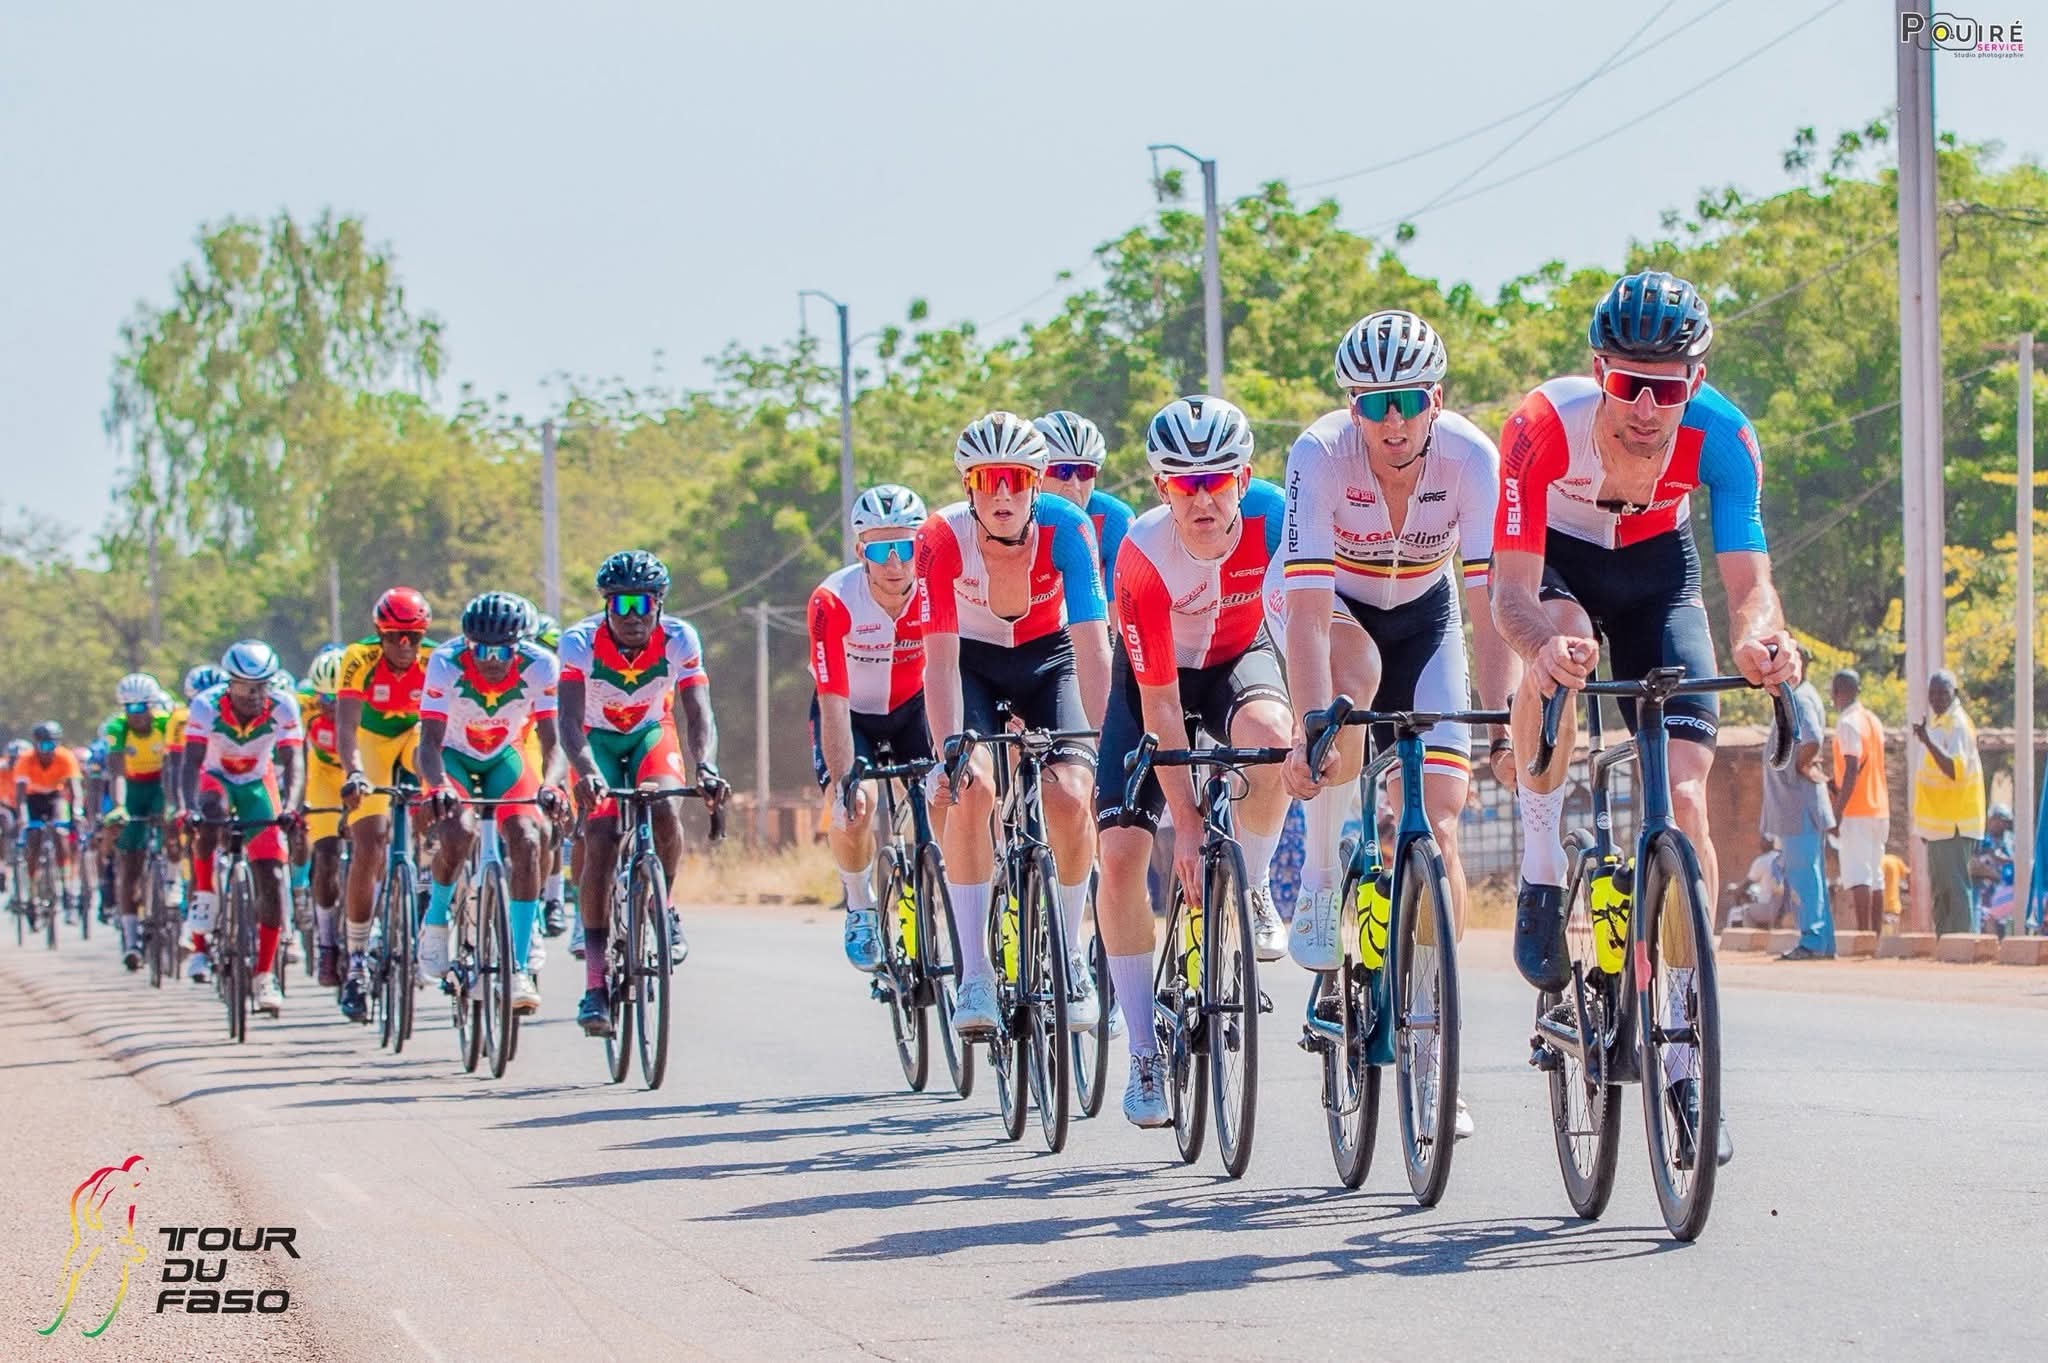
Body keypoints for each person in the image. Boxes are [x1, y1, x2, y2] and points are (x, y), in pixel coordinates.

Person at [1492, 270, 1800, 1169]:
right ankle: (1544, 861)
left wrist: (1760, 642)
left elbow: (1749, 587)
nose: (1645, 407)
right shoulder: (1540, 427)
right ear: (1600, 370)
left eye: (1667, 388)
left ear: (1695, 384)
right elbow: (1510, 593)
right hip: (1563, 568)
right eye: (1628, 384)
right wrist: (1542, 645)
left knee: (1690, 801)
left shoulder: (1724, 437)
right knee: (1565, 647)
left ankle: (1680, 1029)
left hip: (1659, 574)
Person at [1278, 310, 1518, 1017]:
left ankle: (1429, 1020)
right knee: (1348, 697)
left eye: (1409, 401)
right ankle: (1322, 878)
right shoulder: (1319, 455)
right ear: (1353, 407)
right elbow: (1310, 614)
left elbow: (1489, 603)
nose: (1393, 422)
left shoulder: (1471, 458)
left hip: (1425, 613)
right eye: (1374, 405)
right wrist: (1306, 731)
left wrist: (1501, 723)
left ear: (1435, 400)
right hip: (1336, 605)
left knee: (1441, 818)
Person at [1095, 395, 1293, 1127]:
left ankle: (1261, 880)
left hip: (1241, 656)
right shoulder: (1143, 555)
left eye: (1216, 481)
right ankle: (1145, 1051)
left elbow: (1304, 623)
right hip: (1157, 683)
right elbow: (1160, 703)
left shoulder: (1278, 520)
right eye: (1185, 483)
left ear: (1243, 479)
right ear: (1160, 489)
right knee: (1119, 851)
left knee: (1272, 734)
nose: (1203, 497)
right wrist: (1182, 817)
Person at [917, 411, 1110, 1039]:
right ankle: (974, 971)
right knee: (971, 787)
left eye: (1016, 480)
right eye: (987, 479)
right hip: (970, 663)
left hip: (1049, 656)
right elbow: (940, 661)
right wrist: (950, 750)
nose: (1002, 494)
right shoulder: (941, 537)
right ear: (969, 485)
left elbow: (1091, 646)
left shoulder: (1068, 527)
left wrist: (1109, 742)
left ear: (1036, 482)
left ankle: (1074, 955)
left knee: (1072, 791)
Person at [557, 550, 725, 1037]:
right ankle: (594, 987)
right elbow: (566, 721)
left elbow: (699, 714)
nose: (632, 614)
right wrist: (585, 769)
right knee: (602, 837)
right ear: (606, 605)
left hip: (652, 732)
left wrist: (707, 765)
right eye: (622, 603)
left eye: (643, 602)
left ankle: (665, 907)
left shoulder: (679, 638)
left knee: (666, 809)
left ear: (659, 604)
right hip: (596, 739)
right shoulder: (580, 641)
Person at [416, 591, 564, 1015]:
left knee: (528, 837)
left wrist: (552, 786)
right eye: (481, 649)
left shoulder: (540, 665)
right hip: (453, 755)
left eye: (503, 650)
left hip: (505, 755)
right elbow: (428, 742)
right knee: (458, 831)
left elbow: (552, 742)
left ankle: (518, 965)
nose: (492, 659)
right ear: (466, 643)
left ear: (520, 645)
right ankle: (437, 920)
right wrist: (439, 784)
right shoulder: (444, 663)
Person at [807, 484, 931, 972]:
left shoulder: (939, 588)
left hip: (913, 706)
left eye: (907, 547)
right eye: (881, 549)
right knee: (856, 807)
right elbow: (832, 700)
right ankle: (859, 906)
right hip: (850, 714)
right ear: (861, 552)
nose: (895, 562)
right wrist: (844, 782)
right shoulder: (833, 601)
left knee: (953, 794)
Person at [180, 641, 304, 1016]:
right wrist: (188, 809)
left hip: (255, 782)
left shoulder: (282, 705)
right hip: (215, 777)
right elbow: (190, 764)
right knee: (209, 815)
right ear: (229, 684)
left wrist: (292, 808)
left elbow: (294, 762)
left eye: (262, 685)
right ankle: (204, 903)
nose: (255, 695)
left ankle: (264, 973)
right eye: (246, 687)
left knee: (270, 873)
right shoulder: (205, 706)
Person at [337, 587, 436, 1022]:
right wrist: (354, 772)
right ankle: (357, 955)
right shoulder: (358, 658)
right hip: (371, 743)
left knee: (436, 796)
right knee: (370, 839)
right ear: (380, 633)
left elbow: (440, 727)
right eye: (395, 636)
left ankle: (429, 877)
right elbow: (345, 726)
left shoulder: (434, 659)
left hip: (414, 735)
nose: (404, 646)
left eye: (413, 637)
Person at [103, 673, 179, 971]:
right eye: (130, 709)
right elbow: (117, 772)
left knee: (172, 826)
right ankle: (132, 939)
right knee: (130, 864)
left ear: (152, 705)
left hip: (161, 784)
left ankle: (172, 882)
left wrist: (173, 805)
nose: (137, 716)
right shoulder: (117, 728)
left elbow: (175, 767)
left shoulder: (165, 723)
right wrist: (120, 806)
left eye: (142, 708)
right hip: (133, 788)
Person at [1768, 671, 1837, 960]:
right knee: (1810, 874)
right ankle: (1821, 941)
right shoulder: (1795, 696)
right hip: (1796, 806)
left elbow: (1812, 740)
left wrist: (1800, 765)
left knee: (1804, 875)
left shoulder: (1798, 697)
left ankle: (1812, 940)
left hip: (1799, 806)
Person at [1912, 669, 1984, 937]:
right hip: (1938, 825)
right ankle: (1945, 944)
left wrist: (1927, 741)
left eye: (1943, 692)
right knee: (1941, 889)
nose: (1937, 698)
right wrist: (1924, 826)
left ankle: (1962, 943)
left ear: (1955, 693)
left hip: (1955, 822)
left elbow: (1955, 770)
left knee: (1954, 886)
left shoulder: (1957, 724)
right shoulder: (1939, 722)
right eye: (1932, 692)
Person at [1035, 410, 1133, 604]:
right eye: (1062, 471)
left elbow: (1119, 611)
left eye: (1085, 471)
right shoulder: (1011, 517)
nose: (1074, 484)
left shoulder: (1114, 519)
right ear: (1035, 475)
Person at [295, 646, 349, 987]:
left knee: (374, 843)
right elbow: (291, 753)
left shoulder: (369, 703)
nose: (331, 705)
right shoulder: (303, 708)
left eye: (338, 697)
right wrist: (296, 803)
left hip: (361, 773)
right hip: (323, 779)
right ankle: (327, 942)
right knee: (326, 856)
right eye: (323, 697)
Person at [1828, 667, 1889, 934]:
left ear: (1836, 693)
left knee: (1859, 873)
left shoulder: (1847, 723)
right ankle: (1874, 936)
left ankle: (1863, 934)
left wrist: (1838, 811)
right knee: (1875, 876)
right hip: (1879, 807)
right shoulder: (1872, 721)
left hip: (1857, 809)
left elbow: (1852, 767)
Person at [13, 723, 85, 914]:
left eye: (52, 746)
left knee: (60, 835)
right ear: (35, 745)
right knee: (34, 841)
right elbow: (20, 797)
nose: (48, 751)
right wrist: (22, 817)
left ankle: (66, 884)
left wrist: (76, 812)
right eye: (43, 746)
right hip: (33, 798)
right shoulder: (25, 759)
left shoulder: (65, 757)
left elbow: (75, 790)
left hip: (55, 797)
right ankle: (32, 890)